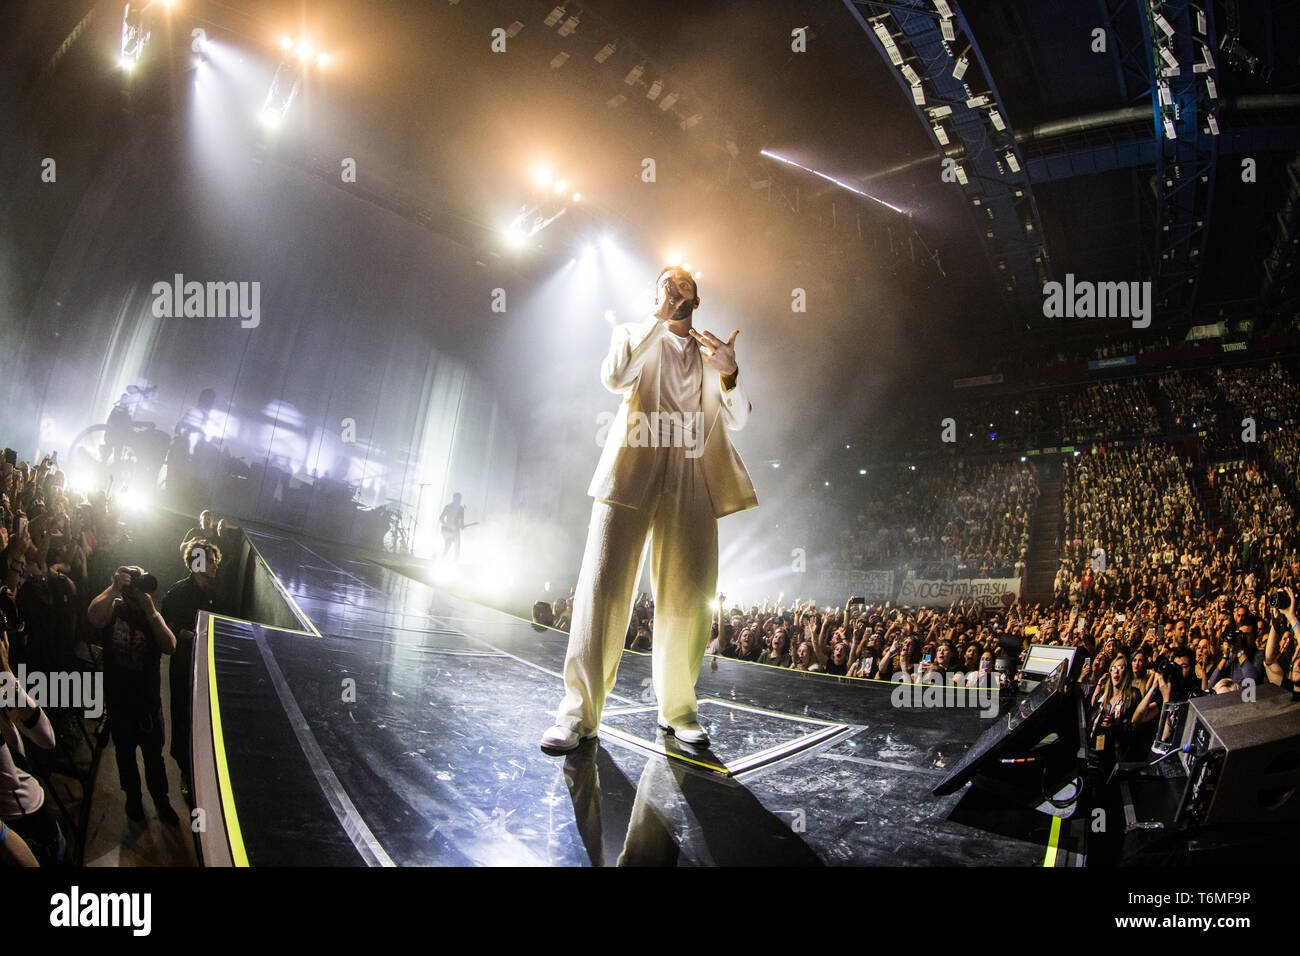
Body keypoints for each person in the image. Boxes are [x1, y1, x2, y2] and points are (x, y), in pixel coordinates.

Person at [540, 265, 756, 752]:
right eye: (665, 283)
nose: (672, 288)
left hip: (692, 474)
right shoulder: (635, 334)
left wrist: (731, 372)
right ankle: (577, 714)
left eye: (683, 285)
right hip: (632, 467)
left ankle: (678, 709)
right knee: (602, 589)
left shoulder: (711, 355)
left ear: (696, 301)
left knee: (689, 596)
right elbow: (615, 377)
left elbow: (740, 418)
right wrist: (655, 320)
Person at [87, 566, 180, 825]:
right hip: (119, 702)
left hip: (147, 705)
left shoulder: (150, 615)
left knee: (154, 759)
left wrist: (150, 610)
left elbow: (170, 646)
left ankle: (162, 801)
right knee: (125, 756)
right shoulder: (112, 607)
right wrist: (114, 587)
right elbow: (93, 617)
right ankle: (134, 799)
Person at [160, 540, 222, 800]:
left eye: (215, 560)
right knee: (183, 716)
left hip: (205, 668)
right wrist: (188, 635)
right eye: (209, 560)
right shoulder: (178, 593)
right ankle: (187, 772)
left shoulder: (213, 594)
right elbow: (166, 629)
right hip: (185, 666)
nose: (215, 565)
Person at [439, 493, 466, 560]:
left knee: (457, 547)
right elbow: (441, 518)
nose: (459, 501)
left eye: (460, 499)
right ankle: (441, 559)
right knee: (448, 545)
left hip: (456, 530)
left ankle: (455, 562)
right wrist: (447, 525)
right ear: (454, 499)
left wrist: (462, 526)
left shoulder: (461, 508)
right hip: (448, 530)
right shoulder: (448, 507)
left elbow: (461, 520)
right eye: (457, 499)